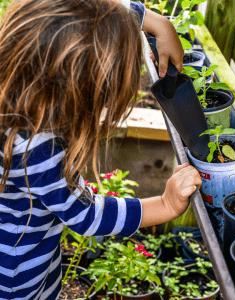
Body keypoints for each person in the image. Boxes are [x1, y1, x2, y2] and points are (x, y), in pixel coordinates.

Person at [0, 0, 202, 299]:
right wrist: (165, 205)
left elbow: (80, 9)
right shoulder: (38, 148)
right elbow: (87, 215)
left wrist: (156, 22)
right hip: (20, 279)